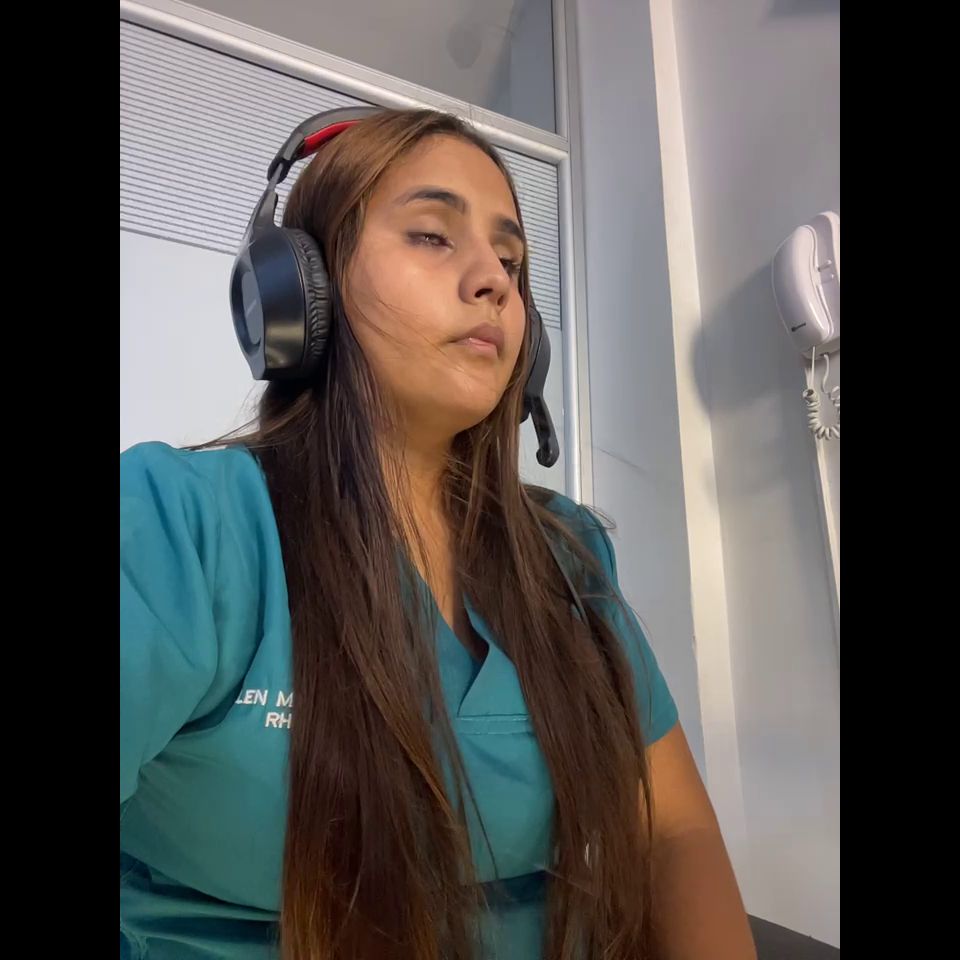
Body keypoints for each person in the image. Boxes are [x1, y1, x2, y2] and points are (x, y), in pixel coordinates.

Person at [120, 107, 755, 960]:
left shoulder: (564, 554)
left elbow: (673, 830)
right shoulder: (177, 524)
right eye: (431, 235)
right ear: (298, 291)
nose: (494, 279)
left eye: (512, 260)